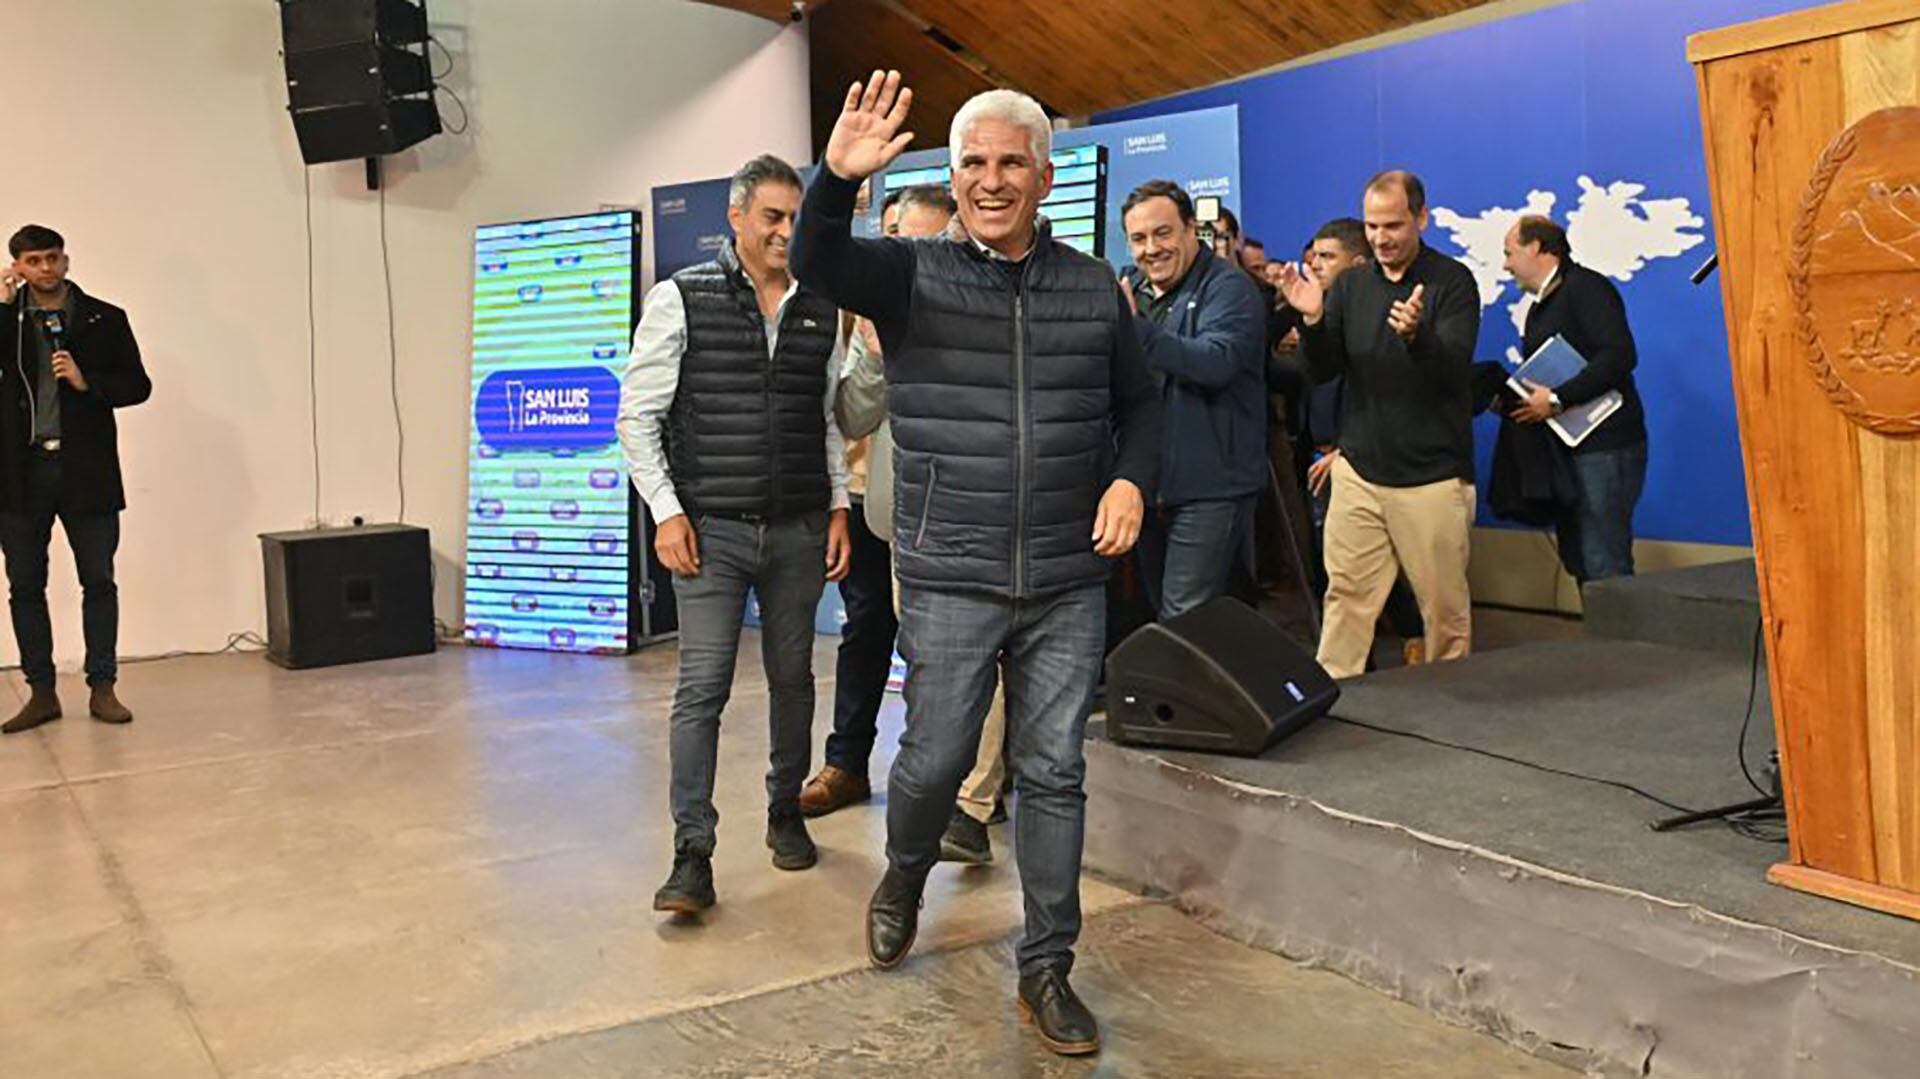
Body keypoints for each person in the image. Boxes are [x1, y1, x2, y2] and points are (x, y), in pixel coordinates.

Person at [793, 73, 1160, 1057]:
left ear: (1043, 174)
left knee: (1053, 770)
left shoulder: (1094, 286)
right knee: (934, 756)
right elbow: (814, 256)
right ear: (952, 177)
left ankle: (1046, 964)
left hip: (1065, 575)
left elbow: (1145, 408)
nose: (991, 180)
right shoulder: (909, 276)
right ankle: (906, 867)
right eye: (972, 163)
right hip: (950, 569)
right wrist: (834, 176)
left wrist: (1129, 481)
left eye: (1009, 162)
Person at [617, 154, 854, 915]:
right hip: (709, 535)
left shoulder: (822, 304)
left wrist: (841, 505)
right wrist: (667, 511)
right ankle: (692, 853)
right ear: (737, 217)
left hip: (799, 529)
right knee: (702, 691)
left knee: (793, 680)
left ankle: (785, 810)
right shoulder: (679, 298)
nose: (786, 231)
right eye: (772, 217)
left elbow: (823, 421)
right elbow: (637, 418)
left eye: (795, 218)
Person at [1277, 171, 1480, 679]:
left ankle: (1452, 713)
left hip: (1431, 476)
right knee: (1345, 597)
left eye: (1393, 225)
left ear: (1421, 219)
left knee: (1443, 614)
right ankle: (1335, 699)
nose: (1381, 237)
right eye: (1372, 226)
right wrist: (1313, 320)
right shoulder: (1350, 286)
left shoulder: (1452, 282)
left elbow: (1454, 370)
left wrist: (1417, 337)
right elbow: (1321, 371)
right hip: (1360, 472)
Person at [800, 184, 952, 820]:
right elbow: (850, 414)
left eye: (923, 241)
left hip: (950, 504)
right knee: (866, 631)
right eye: (896, 238)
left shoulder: (967, 306)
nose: (906, 256)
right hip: (871, 495)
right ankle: (846, 763)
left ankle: (958, 785)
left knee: (948, 648)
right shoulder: (854, 309)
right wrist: (875, 351)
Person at [0, 226, 151, 734]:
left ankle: (103, 686)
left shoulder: (103, 319)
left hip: (86, 471)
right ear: (17, 267)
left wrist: (90, 383)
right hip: (22, 474)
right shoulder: (8, 322)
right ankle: (41, 691)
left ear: (65, 260)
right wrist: (2, 312)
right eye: (33, 261)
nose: (45, 268)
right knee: (24, 585)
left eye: (52, 258)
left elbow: (138, 385)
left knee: (98, 579)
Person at [1118, 180, 1269, 618]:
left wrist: (1136, 331)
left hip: (1211, 487)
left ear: (1190, 230)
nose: (1151, 249)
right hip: (1148, 486)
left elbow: (1215, 361)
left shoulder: (1230, 288)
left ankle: (1185, 688)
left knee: (1183, 613)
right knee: (1163, 610)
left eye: (1163, 233)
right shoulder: (1129, 287)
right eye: (1139, 239)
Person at [1300, 218, 1427, 664]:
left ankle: (1414, 640)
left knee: (1375, 571)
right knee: (1340, 581)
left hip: (1356, 458)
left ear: (1357, 263)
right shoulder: (1318, 312)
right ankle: (1356, 676)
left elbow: (1369, 390)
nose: (1315, 265)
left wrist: (1341, 451)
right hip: (1320, 454)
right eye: (1313, 256)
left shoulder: (1371, 316)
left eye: (1327, 257)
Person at [1502, 214, 1647, 583]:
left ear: (1536, 248)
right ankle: (1599, 640)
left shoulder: (1587, 288)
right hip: (1568, 449)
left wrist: (1558, 398)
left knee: (1604, 561)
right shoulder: (1538, 307)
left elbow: (1619, 355)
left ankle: (1616, 639)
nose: (1505, 264)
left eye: (1509, 252)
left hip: (1605, 447)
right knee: (1580, 557)